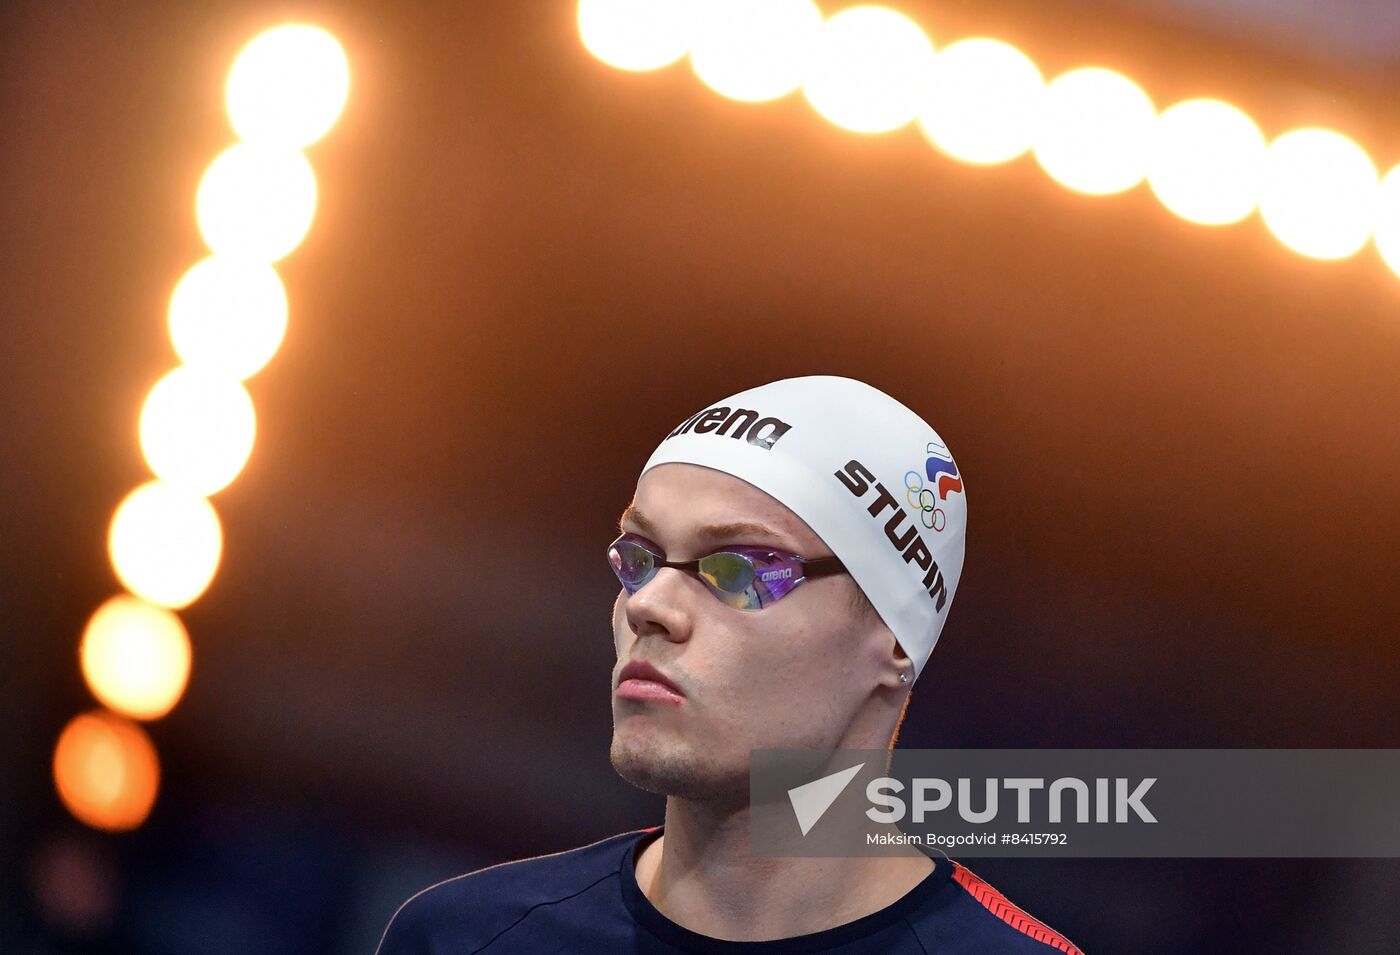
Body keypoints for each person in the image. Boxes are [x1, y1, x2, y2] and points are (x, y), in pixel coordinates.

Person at [375, 376, 1082, 953]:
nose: (651, 604)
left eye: (740, 568)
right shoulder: (463, 939)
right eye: (640, 557)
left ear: (896, 637)